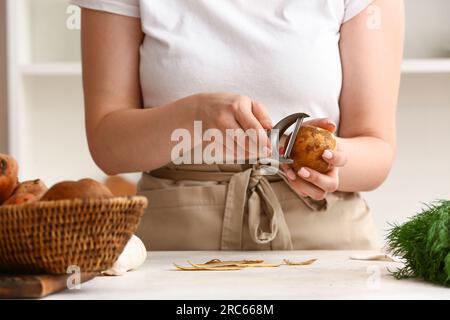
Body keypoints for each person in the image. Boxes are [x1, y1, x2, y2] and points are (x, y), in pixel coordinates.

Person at [72, 0, 404, 250]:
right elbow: (107, 144)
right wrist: (195, 114)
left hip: (324, 244)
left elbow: (376, 148)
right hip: (174, 245)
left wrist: (331, 160)